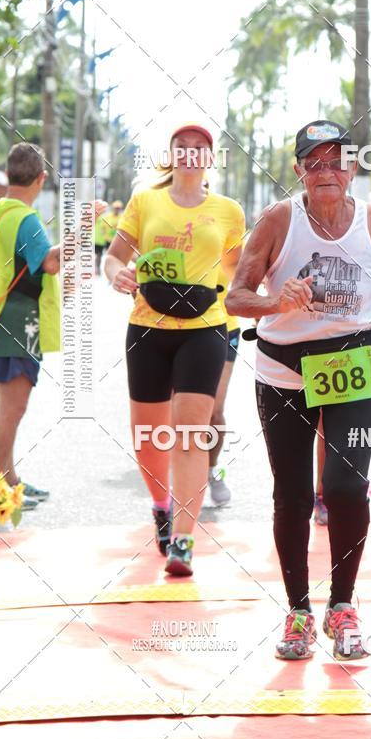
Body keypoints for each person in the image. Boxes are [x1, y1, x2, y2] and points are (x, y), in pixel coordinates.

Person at [226, 119, 371, 662]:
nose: (326, 171)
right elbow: (236, 298)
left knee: (344, 486)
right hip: (284, 372)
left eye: (336, 161)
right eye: (315, 163)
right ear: (299, 170)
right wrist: (276, 302)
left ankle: (343, 606)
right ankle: (298, 612)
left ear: (351, 168)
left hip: (355, 366)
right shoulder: (278, 220)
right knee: (291, 493)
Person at [105, 123, 244, 576]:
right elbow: (114, 255)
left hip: (205, 329)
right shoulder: (146, 200)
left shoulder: (228, 211)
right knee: (147, 436)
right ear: (170, 154)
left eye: (199, 147)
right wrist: (116, 273)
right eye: (181, 147)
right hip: (148, 328)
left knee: (189, 431)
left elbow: (240, 271)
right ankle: (162, 506)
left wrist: (266, 301)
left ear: (211, 158)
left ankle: (183, 539)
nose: (190, 153)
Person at [0, 143, 103, 508]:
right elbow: (51, 263)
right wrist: (84, 227)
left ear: (9, 174)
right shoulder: (25, 219)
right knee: (12, 411)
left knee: (4, 408)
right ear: (41, 178)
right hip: (18, 325)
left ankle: (8, 482)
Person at [207, 261, 241, 507]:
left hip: (225, 327)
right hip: (176, 326)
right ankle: (182, 478)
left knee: (214, 411)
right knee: (181, 412)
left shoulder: (230, 236)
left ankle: (211, 469)